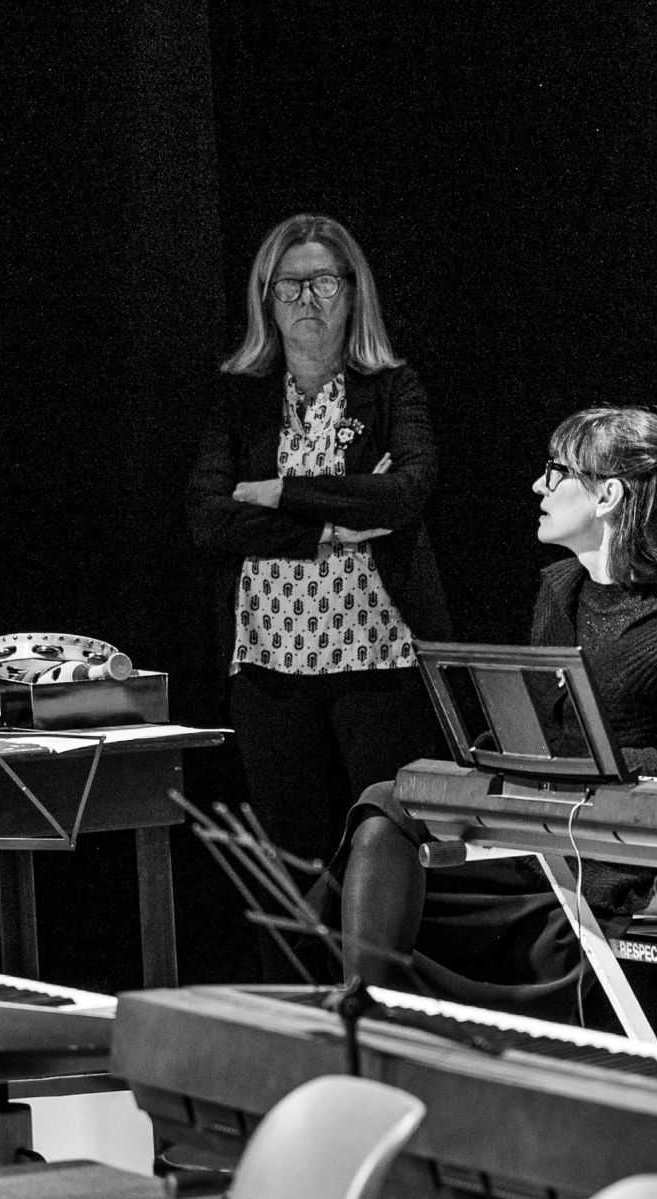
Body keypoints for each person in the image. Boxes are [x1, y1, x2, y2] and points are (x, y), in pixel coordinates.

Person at [339, 406, 657, 1017]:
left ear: (608, 495)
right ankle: (365, 1012)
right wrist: (500, 754)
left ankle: (392, 1022)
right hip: (539, 814)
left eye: (557, 473)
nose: (538, 486)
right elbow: (536, 726)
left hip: (617, 840)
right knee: (387, 806)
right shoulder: (562, 591)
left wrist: (574, 767)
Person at [187, 214, 452, 957]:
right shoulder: (238, 398)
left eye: (324, 283)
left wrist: (278, 491)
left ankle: (383, 1000)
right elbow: (209, 519)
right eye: (290, 285)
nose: (307, 299)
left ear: (352, 293)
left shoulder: (392, 388)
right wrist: (333, 524)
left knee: (384, 844)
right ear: (265, 300)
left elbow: (405, 493)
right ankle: (299, 1011)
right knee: (289, 863)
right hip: (269, 661)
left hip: (379, 655)